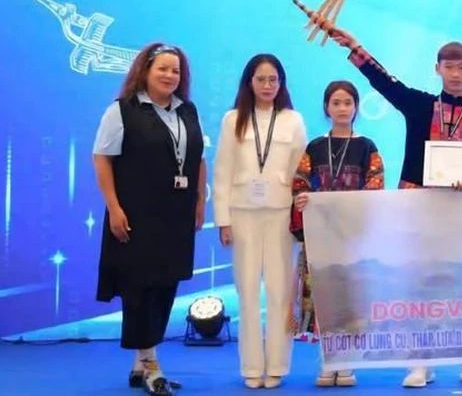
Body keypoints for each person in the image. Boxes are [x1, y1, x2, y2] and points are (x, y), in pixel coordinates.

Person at [325, 24, 462, 388]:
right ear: (437, 69)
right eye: (449, 67)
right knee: (420, 283)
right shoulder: (419, 104)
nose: (455, 73)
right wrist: (355, 46)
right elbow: (384, 81)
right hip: (418, 206)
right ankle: (420, 362)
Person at [93, 42, 206, 396]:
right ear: (145, 71)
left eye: (176, 70)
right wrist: (114, 207)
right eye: (163, 69)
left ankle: (139, 362)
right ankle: (151, 364)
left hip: (177, 215)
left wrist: (200, 201)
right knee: (140, 288)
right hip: (136, 215)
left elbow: (199, 159)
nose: (170, 75)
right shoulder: (122, 110)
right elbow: (102, 158)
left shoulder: (188, 111)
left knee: (165, 285)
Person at [213, 54, 307, 389]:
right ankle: (251, 367)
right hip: (242, 213)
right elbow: (222, 171)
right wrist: (223, 220)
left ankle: (277, 365)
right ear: (249, 82)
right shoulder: (233, 119)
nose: (267, 85)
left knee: (281, 292)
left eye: (273, 79)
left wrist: (300, 218)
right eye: (260, 79)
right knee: (248, 291)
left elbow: (301, 172)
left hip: (281, 213)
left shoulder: (293, 120)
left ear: (281, 83)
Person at [289, 80, 385, 388]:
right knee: (323, 299)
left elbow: (376, 184)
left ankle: (348, 363)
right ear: (326, 108)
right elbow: (300, 183)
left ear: (356, 107)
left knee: (350, 299)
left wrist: (348, 208)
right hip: (320, 235)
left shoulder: (367, 146)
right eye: (336, 103)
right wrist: (303, 199)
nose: (342, 108)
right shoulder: (315, 147)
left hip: (353, 238)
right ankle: (327, 362)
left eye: (348, 103)